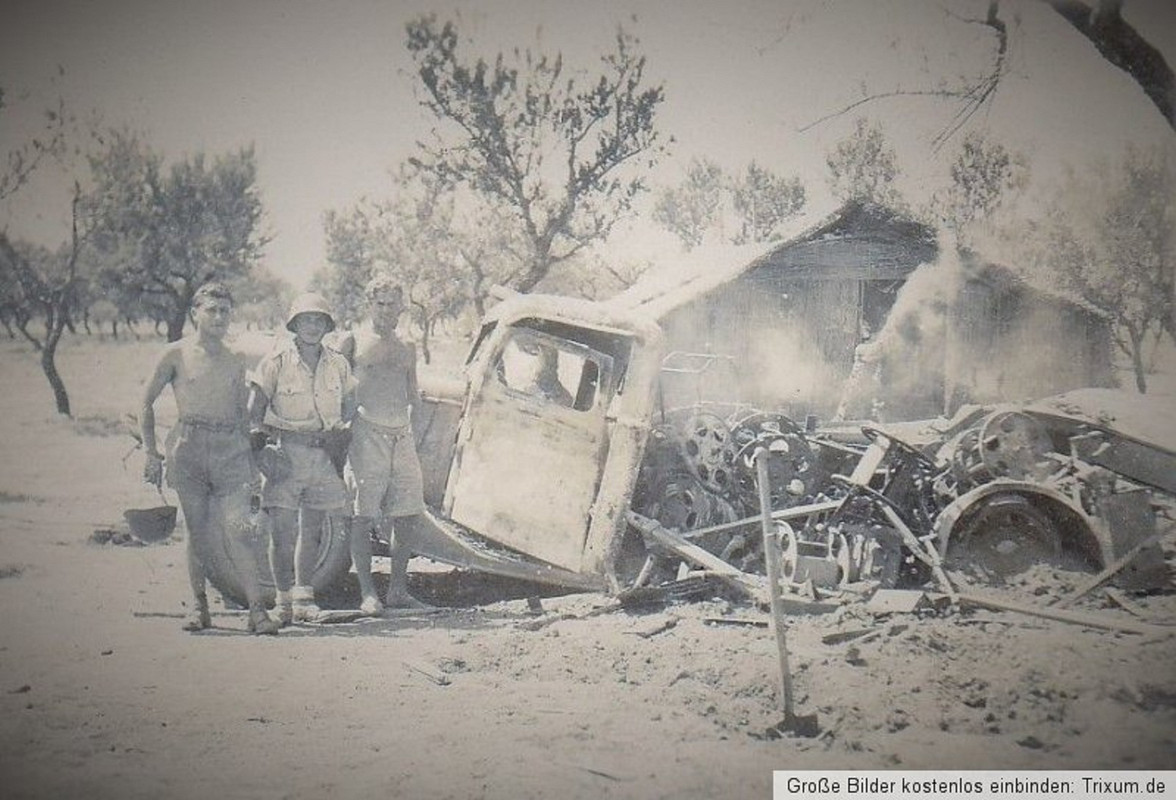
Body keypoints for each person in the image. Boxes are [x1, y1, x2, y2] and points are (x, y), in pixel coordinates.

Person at [140, 281, 280, 635]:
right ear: (195, 314)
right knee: (196, 529)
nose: (219, 317)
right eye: (212, 310)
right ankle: (198, 606)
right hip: (189, 448)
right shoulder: (175, 354)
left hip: (230, 450)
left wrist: (251, 457)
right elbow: (145, 403)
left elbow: (241, 413)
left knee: (239, 529)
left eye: (225, 311)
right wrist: (150, 453)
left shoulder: (236, 358)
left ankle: (257, 612)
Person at [248, 293, 354, 624]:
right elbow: (253, 413)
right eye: (306, 320)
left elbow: (350, 405)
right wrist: (263, 451)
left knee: (314, 531)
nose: (312, 326)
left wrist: (339, 437)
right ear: (294, 324)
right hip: (286, 454)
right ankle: (282, 603)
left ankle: (304, 600)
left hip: (323, 454)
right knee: (282, 533)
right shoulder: (276, 362)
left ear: (327, 326)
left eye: (319, 320)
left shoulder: (338, 363)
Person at [336, 276, 435, 613]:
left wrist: (415, 433)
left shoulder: (408, 345)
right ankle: (368, 593)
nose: (386, 310)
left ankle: (397, 590)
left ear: (401, 307)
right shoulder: (352, 341)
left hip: (401, 433)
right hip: (367, 431)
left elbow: (413, 392)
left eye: (392, 304)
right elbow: (336, 387)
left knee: (407, 513)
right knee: (362, 514)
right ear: (369, 304)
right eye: (379, 303)